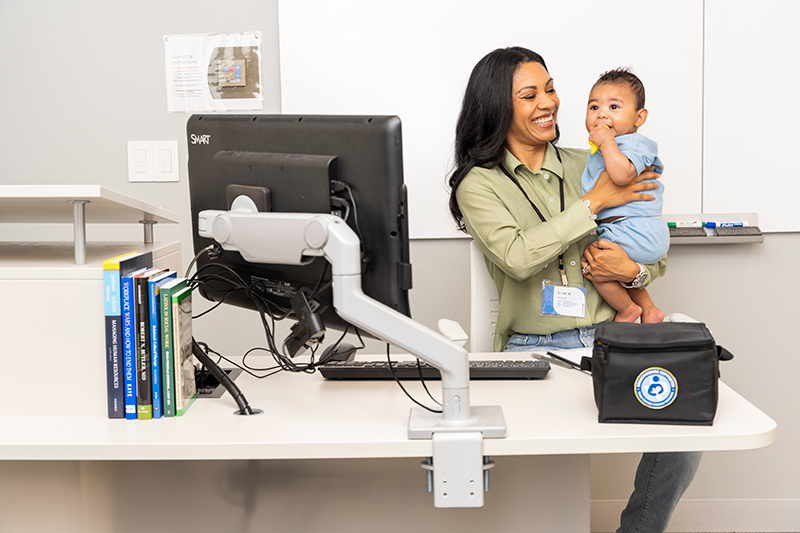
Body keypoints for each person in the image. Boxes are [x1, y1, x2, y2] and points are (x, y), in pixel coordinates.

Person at [448, 46, 701, 533]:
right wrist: (593, 202)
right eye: (530, 95)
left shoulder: (592, 159)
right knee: (549, 498)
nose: (549, 103)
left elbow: (653, 249)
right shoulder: (479, 185)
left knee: (685, 424)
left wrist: (633, 273)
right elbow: (519, 258)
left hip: (614, 339)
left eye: (550, 89)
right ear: (498, 106)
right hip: (534, 353)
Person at [582, 68, 668, 323]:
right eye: (594, 107)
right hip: (628, 229)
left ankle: (627, 310)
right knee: (615, 265)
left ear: (639, 117)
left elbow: (621, 176)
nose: (602, 114)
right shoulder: (605, 150)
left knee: (595, 265)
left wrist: (607, 141)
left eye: (614, 107)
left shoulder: (634, 144)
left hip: (635, 230)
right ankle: (650, 310)